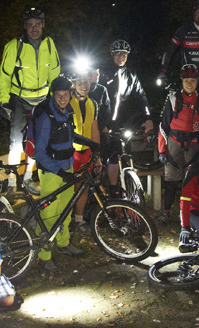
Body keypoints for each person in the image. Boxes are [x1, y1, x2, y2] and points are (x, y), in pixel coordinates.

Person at [32, 77, 97, 272]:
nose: (62, 99)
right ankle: (44, 255)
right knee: (49, 214)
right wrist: (60, 171)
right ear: (53, 95)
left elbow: (70, 135)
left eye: (65, 95)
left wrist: (90, 143)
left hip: (67, 167)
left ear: (70, 94)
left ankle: (63, 243)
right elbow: (39, 153)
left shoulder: (67, 112)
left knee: (66, 208)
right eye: (59, 95)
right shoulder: (46, 118)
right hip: (52, 172)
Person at [0, 7, 61, 191]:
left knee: (36, 142)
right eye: (30, 24)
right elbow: (4, 75)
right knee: (16, 143)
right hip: (20, 99)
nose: (34, 28)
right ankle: (11, 182)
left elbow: (54, 73)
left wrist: (55, 99)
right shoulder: (14, 46)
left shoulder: (49, 44)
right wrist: (4, 100)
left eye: (38, 24)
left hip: (41, 99)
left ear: (43, 25)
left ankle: (27, 178)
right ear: (25, 26)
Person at [158, 64, 199, 220]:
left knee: (192, 182)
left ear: (197, 82)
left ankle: (191, 213)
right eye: (186, 80)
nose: (190, 84)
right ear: (181, 81)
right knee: (171, 182)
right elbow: (163, 126)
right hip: (174, 145)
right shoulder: (173, 99)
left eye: (193, 81)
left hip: (193, 146)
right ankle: (166, 212)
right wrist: (162, 150)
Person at [101, 39, 155, 186]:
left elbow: (141, 96)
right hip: (103, 121)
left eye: (124, 54)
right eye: (117, 54)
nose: (121, 57)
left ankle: (114, 188)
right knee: (98, 156)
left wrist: (148, 118)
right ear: (112, 54)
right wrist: (101, 123)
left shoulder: (131, 75)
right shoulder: (103, 72)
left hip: (119, 122)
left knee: (116, 155)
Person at [69, 66, 102, 232]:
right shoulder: (66, 100)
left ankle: (79, 219)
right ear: (74, 83)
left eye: (86, 82)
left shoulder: (93, 104)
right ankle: (64, 221)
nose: (84, 85)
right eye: (80, 82)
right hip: (69, 152)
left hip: (86, 152)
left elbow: (94, 129)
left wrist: (97, 156)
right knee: (68, 187)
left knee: (83, 186)